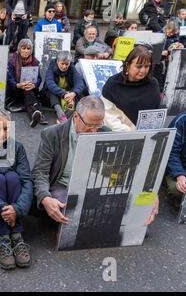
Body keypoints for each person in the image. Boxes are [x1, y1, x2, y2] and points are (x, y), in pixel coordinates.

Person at [32, 95, 159, 225]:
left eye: (98, 125)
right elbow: (40, 171)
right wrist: (45, 197)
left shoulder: (105, 133)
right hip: (63, 185)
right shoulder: (52, 134)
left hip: (95, 186)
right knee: (71, 213)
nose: (93, 131)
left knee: (136, 214)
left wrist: (150, 191)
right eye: (89, 125)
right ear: (76, 116)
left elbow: (131, 164)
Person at [0, 107, 33, 270]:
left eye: (5, 128)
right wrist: (2, 208)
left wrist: (17, 208)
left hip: (13, 202)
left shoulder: (17, 147)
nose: (1, 133)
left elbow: (27, 181)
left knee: (13, 177)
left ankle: (16, 236)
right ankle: (3, 237)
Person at [102, 46, 160, 125]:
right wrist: (130, 133)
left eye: (147, 66)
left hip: (144, 132)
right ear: (128, 65)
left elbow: (155, 113)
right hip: (117, 133)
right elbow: (108, 116)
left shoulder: (153, 84)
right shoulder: (112, 84)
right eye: (138, 66)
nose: (143, 70)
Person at [6, 39, 44, 128]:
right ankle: (38, 111)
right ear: (19, 49)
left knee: (27, 89)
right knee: (26, 90)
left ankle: (33, 116)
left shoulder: (35, 61)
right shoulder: (12, 61)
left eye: (28, 48)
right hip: (15, 90)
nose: (26, 51)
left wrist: (34, 85)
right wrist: (18, 85)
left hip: (29, 89)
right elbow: (9, 79)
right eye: (24, 48)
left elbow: (39, 79)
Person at [44, 51, 85, 123]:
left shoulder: (72, 68)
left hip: (68, 94)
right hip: (52, 96)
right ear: (57, 62)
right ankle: (60, 114)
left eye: (67, 64)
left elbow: (80, 83)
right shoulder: (51, 67)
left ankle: (67, 114)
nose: (64, 66)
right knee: (52, 92)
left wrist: (73, 93)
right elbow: (50, 83)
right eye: (62, 64)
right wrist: (64, 94)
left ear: (69, 63)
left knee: (77, 93)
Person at [165, 111, 186, 205]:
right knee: (177, 189)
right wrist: (180, 176)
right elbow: (171, 153)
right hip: (179, 168)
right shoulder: (181, 121)